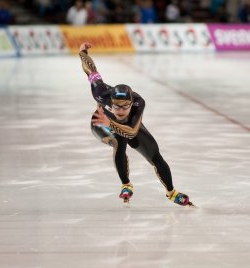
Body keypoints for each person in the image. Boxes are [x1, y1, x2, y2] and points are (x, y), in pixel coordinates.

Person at [79, 42, 193, 206]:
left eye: (126, 106)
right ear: (110, 100)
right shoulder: (101, 93)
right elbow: (91, 69)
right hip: (100, 123)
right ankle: (126, 185)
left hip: (126, 125)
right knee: (119, 142)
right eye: (117, 106)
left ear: (132, 103)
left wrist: (112, 123)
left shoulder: (139, 103)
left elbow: (131, 132)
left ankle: (172, 192)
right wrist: (82, 53)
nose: (121, 109)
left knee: (154, 154)